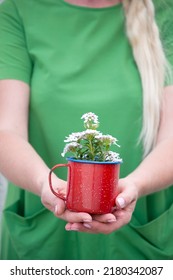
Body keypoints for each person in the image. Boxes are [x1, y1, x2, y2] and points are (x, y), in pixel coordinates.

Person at [0, 0, 173, 260]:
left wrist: (135, 185)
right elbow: (7, 130)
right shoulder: (18, 9)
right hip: (45, 237)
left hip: (140, 239)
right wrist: (47, 186)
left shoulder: (165, 11)